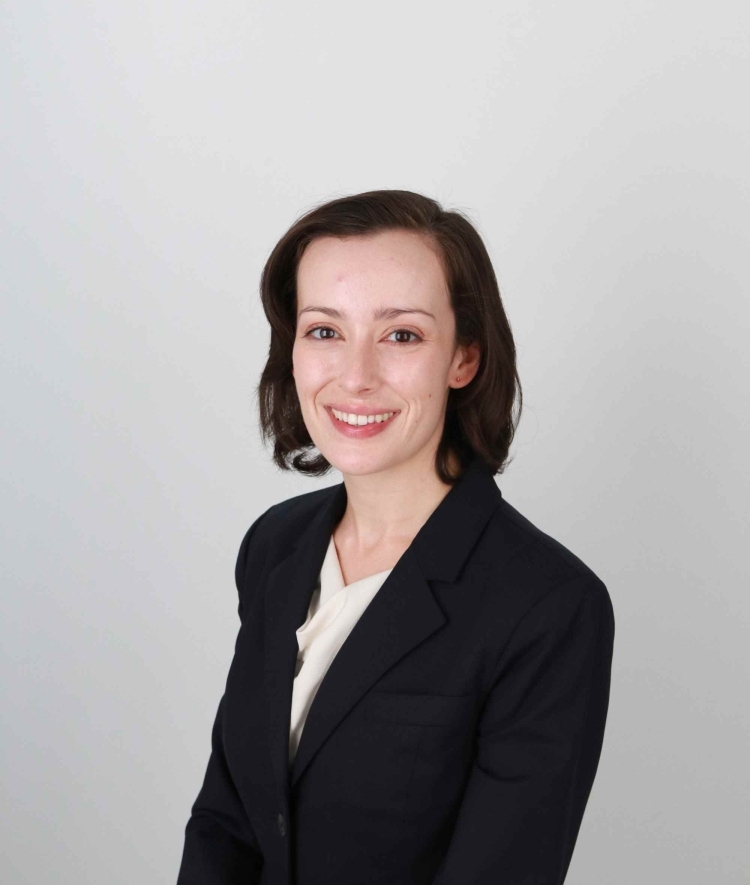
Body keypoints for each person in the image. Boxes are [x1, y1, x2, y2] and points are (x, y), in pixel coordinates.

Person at [176, 190, 615, 885]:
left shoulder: (548, 605)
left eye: (401, 334)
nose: (356, 376)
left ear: (463, 358)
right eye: (325, 330)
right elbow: (228, 822)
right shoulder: (275, 547)